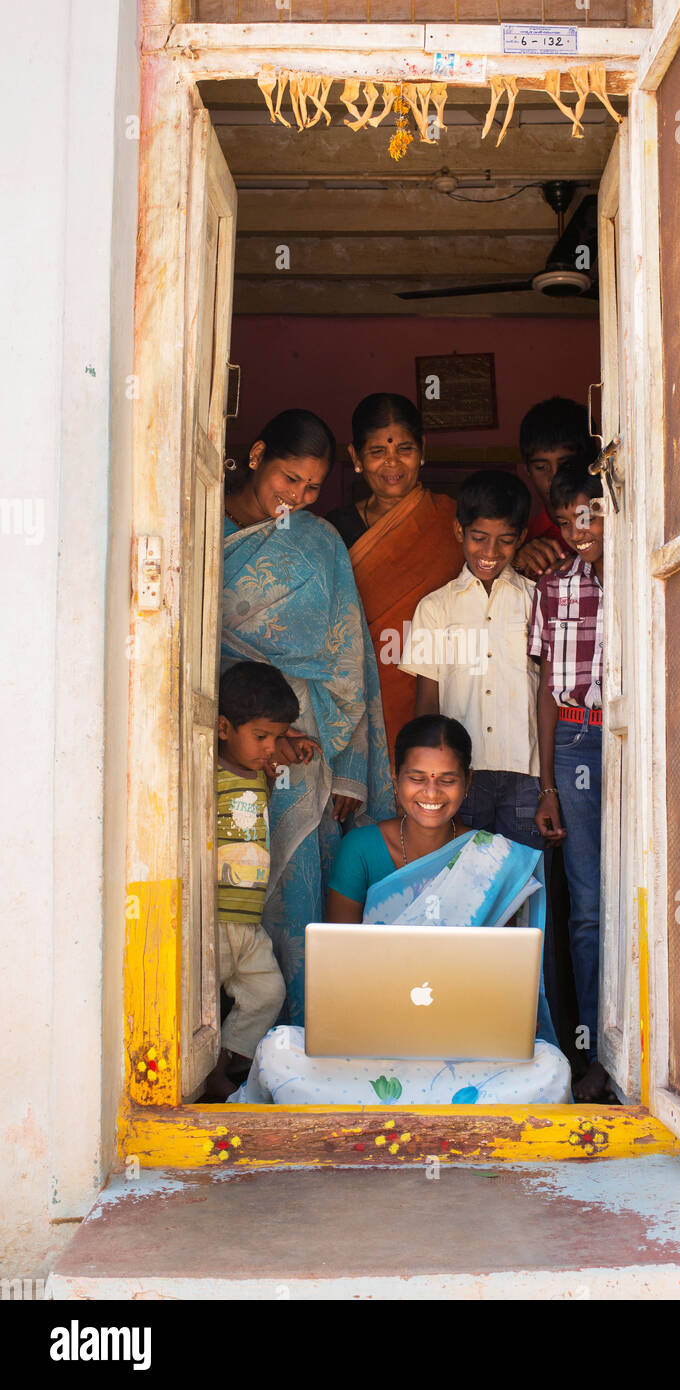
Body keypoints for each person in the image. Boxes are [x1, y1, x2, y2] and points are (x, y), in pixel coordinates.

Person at [229, 716, 570, 1106]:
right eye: (417, 777)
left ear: (468, 781)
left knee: (552, 1067)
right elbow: (339, 967)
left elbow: (502, 982)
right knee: (277, 1050)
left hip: (463, 1049)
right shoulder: (360, 847)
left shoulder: (494, 858)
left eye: (447, 779)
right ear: (395, 777)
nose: (431, 792)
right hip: (370, 1044)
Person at [222, 408, 394, 1024]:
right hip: (227, 740)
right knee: (224, 890)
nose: (296, 497)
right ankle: (220, 1047)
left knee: (296, 887)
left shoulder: (320, 543)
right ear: (258, 456)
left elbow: (351, 662)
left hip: (307, 748)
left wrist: (350, 768)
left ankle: (294, 1034)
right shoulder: (199, 528)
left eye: (312, 488)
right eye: (288, 479)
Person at [399, 469, 542, 851]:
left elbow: (548, 693)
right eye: (479, 538)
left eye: (505, 541)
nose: (490, 553)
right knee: (461, 879)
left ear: (521, 539)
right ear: (459, 531)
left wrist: (550, 786)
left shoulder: (538, 599)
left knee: (523, 880)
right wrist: (426, 772)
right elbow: (427, 701)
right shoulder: (434, 607)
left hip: (526, 772)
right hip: (460, 775)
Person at [528, 459, 608, 1103]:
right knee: (585, 907)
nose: (579, 531)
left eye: (591, 514)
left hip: (643, 740)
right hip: (579, 737)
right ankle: (591, 1052)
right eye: (565, 520)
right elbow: (546, 695)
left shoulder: (650, 578)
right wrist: (548, 785)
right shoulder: (554, 588)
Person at [326, 393, 464, 756]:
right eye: (376, 452)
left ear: (423, 450)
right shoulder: (333, 532)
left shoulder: (454, 521)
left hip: (441, 689)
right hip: (359, 695)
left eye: (404, 449)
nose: (392, 463)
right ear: (356, 458)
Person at [204, 661, 297, 1100]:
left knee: (268, 991)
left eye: (276, 737)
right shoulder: (206, 774)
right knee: (198, 1006)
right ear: (223, 728)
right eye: (261, 736)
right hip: (213, 918)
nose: (270, 747)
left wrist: (285, 750)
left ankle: (219, 1064)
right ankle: (200, 1075)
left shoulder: (257, 774)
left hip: (247, 920)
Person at [513, 396, 597, 581]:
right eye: (541, 468)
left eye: (566, 464)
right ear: (527, 469)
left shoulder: (612, 524)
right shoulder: (526, 539)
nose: (554, 478)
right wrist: (516, 563)